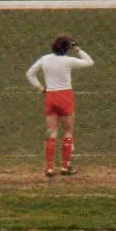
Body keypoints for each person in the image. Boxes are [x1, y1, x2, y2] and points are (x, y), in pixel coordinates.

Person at [25, 34, 95, 178]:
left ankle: (50, 168)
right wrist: (78, 49)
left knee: (51, 132)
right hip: (65, 96)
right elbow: (89, 62)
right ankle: (65, 166)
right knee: (68, 131)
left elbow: (30, 74)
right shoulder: (68, 61)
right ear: (67, 48)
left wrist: (40, 88)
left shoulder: (45, 59)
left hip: (50, 96)